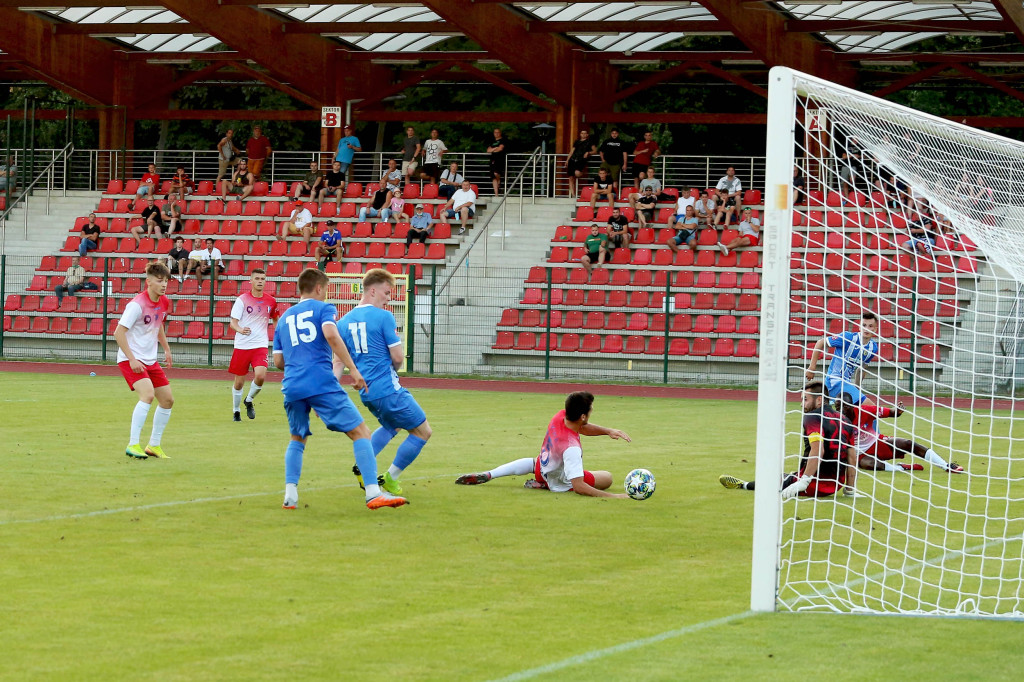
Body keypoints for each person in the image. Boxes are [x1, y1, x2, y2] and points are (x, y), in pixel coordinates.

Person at [272, 267, 406, 510]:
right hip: (320, 382)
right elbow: (331, 335)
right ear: (319, 288)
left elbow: (278, 362)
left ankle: (290, 495)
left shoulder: (284, 318)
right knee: (361, 433)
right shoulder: (324, 309)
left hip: (292, 385)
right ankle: (373, 493)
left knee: (297, 438)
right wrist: (353, 369)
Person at [338, 268, 432, 497]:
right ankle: (390, 478)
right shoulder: (384, 317)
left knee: (393, 425)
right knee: (423, 432)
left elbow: (337, 363)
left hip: (367, 393)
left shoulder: (343, 322)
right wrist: (394, 369)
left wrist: (329, 394)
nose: (389, 299)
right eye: (387, 293)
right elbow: (398, 357)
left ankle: (362, 466)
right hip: (388, 389)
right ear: (372, 291)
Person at [454, 391, 632, 498]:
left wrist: (608, 431)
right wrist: (614, 496)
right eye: (591, 409)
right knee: (607, 477)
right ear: (583, 416)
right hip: (559, 481)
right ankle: (547, 486)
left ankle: (491, 474)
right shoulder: (572, 448)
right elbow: (579, 487)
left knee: (534, 462)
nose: (592, 411)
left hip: (542, 469)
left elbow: (582, 428)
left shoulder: (560, 417)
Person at [718, 381, 860, 499]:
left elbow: (818, 450)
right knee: (789, 475)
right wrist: (849, 489)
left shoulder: (812, 417)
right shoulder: (846, 420)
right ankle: (802, 477)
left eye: (805, 399)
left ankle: (743, 484)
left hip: (813, 484)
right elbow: (852, 457)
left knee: (774, 478)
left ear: (819, 400)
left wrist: (804, 481)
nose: (801, 404)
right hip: (835, 485)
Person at [113, 261, 174, 460]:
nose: (164, 285)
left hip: (150, 360)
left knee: (167, 400)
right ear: (148, 282)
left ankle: (153, 445)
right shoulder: (136, 305)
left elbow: (159, 325)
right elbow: (118, 332)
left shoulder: (164, 302)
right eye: (159, 281)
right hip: (130, 359)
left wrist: (166, 349)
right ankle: (133, 444)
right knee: (147, 395)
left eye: (166, 281)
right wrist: (131, 359)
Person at [838, 394, 963, 474]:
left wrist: (898, 410)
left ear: (852, 406)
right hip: (858, 454)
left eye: (844, 406)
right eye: (838, 407)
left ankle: (946, 466)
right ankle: (901, 467)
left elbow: (892, 413)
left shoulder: (865, 411)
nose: (841, 410)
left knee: (907, 443)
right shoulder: (835, 420)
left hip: (876, 443)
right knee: (869, 465)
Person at [229, 269, 278, 422]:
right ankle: (236, 411)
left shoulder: (271, 301)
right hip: (242, 346)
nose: (260, 281)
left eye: (263, 278)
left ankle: (249, 400)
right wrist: (240, 329)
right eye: (257, 278)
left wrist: (279, 335)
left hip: (260, 345)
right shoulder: (242, 300)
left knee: (261, 376)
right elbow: (233, 323)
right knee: (239, 382)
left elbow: (276, 319)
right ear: (250, 281)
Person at [805, 311, 879, 408]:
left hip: (845, 384)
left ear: (875, 329)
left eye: (870, 326)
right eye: (864, 325)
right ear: (859, 327)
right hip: (834, 380)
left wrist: (857, 388)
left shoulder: (873, 348)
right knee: (871, 408)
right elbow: (820, 342)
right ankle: (891, 412)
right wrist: (812, 367)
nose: (866, 329)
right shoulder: (848, 337)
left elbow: (862, 369)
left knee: (844, 416)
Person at [565, 129, 596, 197]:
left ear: (587, 135)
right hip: (573, 159)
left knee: (577, 173)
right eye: (582, 133)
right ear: (580, 134)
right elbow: (572, 151)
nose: (583, 134)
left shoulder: (590, 142)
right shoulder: (577, 142)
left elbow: (595, 151)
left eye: (585, 133)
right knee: (571, 177)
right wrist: (567, 160)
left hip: (581, 159)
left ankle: (583, 173)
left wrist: (588, 152)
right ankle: (573, 194)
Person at [334, 124, 362, 189]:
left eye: (348, 131)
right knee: (335, 173)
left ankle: (339, 188)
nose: (346, 132)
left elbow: (360, 149)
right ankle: (335, 187)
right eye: (345, 131)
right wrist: (334, 157)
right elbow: (338, 149)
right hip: (338, 159)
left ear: (350, 131)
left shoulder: (355, 139)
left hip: (346, 160)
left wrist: (352, 147)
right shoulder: (342, 139)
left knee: (341, 174)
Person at [487, 128, 507, 196]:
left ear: (500, 133)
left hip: (500, 159)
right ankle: (496, 194)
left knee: (496, 173)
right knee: (493, 176)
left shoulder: (503, 140)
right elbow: (488, 150)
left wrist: (494, 149)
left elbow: (500, 149)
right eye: (495, 132)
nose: (496, 134)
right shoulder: (492, 141)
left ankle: (499, 181)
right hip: (493, 159)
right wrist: (495, 149)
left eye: (498, 132)